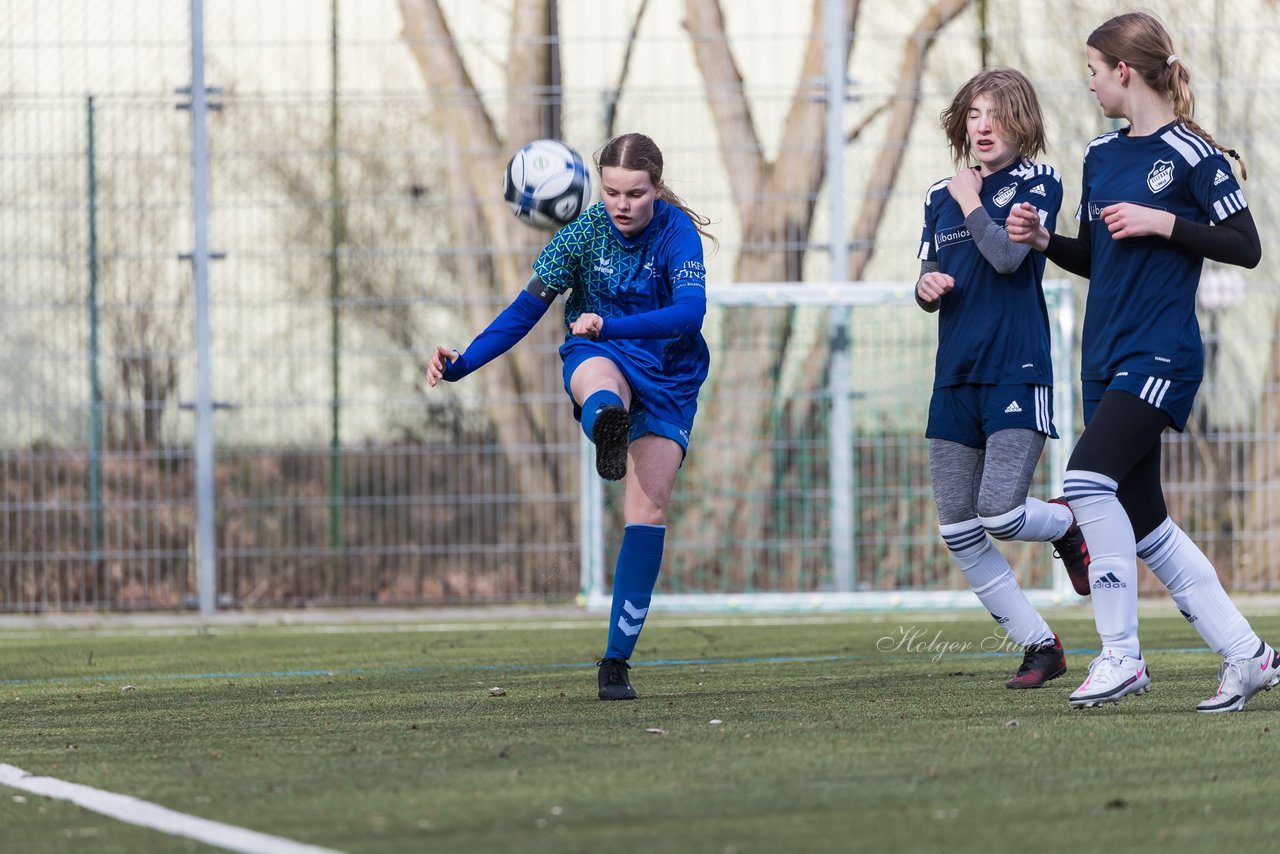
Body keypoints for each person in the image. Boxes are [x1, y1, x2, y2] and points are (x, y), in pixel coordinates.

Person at [1007, 11, 1276, 711]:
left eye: (1094, 72)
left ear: (1123, 71)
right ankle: (1248, 656)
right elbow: (1098, 258)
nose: (1089, 85)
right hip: (1105, 355)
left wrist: (1166, 223)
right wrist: (1044, 243)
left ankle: (1121, 656)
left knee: (1086, 482)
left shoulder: (1193, 155)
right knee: (1146, 519)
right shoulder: (1100, 155)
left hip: (1161, 352)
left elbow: (1245, 245)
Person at [427, 132, 714, 701]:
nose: (622, 204)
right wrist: (462, 364)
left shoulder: (676, 233)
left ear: (657, 187)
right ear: (598, 185)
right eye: (611, 192)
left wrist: (612, 324)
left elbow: (690, 312)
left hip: (669, 374)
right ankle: (607, 423)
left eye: (635, 192)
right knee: (599, 381)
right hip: (599, 352)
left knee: (649, 507)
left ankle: (615, 663)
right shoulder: (581, 233)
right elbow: (523, 312)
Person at [916, 67, 1092, 690]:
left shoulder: (1037, 180)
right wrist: (926, 287)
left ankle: (1066, 524)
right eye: (974, 115)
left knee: (999, 512)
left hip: (1016, 370)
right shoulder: (938, 193)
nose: (983, 126)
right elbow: (928, 274)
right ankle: (1041, 646)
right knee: (958, 526)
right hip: (954, 377)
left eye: (997, 115)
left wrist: (972, 199)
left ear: (1023, 124)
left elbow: (1009, 256)